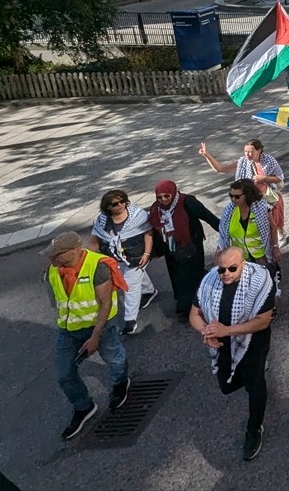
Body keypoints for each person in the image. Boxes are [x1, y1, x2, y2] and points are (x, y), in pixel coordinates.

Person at [189, 246, 276, 462]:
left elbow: (263, 321)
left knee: (255, 384)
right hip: (223, 342)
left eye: (232, 268)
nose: (226, 273)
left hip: (252, 341)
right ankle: (250, 379)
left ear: (243, 264)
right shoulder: (210, 280)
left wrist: (225, 330)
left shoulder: (260, 280)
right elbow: (194, 313)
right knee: (226, 386)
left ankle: (254, 430)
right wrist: (206, 331)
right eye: (221, 269)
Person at [46, 231, 129, 440]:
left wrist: (95, 337)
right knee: (63, 374)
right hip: (69, 329)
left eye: (57, 255)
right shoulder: (54, 271)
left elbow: (106, 303)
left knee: (114, 359)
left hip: (100, 326)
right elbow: (57, 302)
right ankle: (83, 407)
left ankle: (121, 383)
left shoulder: (98, 267)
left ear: (75, 251)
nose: (52, 259)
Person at [148, 179, 220, 321]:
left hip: (191, 247)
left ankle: (191, 307)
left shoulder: (187, 202)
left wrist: (225, 232)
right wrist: (155, 251)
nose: (163, 200)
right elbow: (153, 229)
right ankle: (185, 304)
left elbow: (208, 216)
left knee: (192, 276)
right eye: (159, 197)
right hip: (171, 249)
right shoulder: (156, 208)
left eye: (166, 196)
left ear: (173, 193)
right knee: (177, 277)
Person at [88, 190, 155, 335]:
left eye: (122, 201)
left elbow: (148, 233)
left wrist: (147, 253)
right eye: (115, 204)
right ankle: (150, 291)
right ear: (108, 207)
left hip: (137, 257)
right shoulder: (102, 221)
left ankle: (130, 321)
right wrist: (91, 260)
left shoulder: (138, 216)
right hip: (116, 258)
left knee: (129, 286)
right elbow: (94, 241)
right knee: (134, 278)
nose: (120, 205)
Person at [199, 139, 286, 240]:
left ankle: (280, 234)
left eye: (251, 152)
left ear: (259, 151)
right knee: (256, 224)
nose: (247, 154)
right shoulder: (242, 162)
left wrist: (264, 178)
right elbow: (220, 168)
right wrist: (207, 155)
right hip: (250, 199)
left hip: (269, 196)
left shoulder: (269, 161)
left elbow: (279, 178)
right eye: (245, 151)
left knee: (274, 221)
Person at [217, 179, 280, 271]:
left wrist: (275, 247)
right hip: (241, 258)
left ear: (247, 195)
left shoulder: (262, 208)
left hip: (260, 256)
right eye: (231, 196)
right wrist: (220, 251)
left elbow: (273, 227)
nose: (233, 199)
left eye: (237, 196)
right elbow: (223, 234)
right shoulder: (229, 211)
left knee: (266, 280)